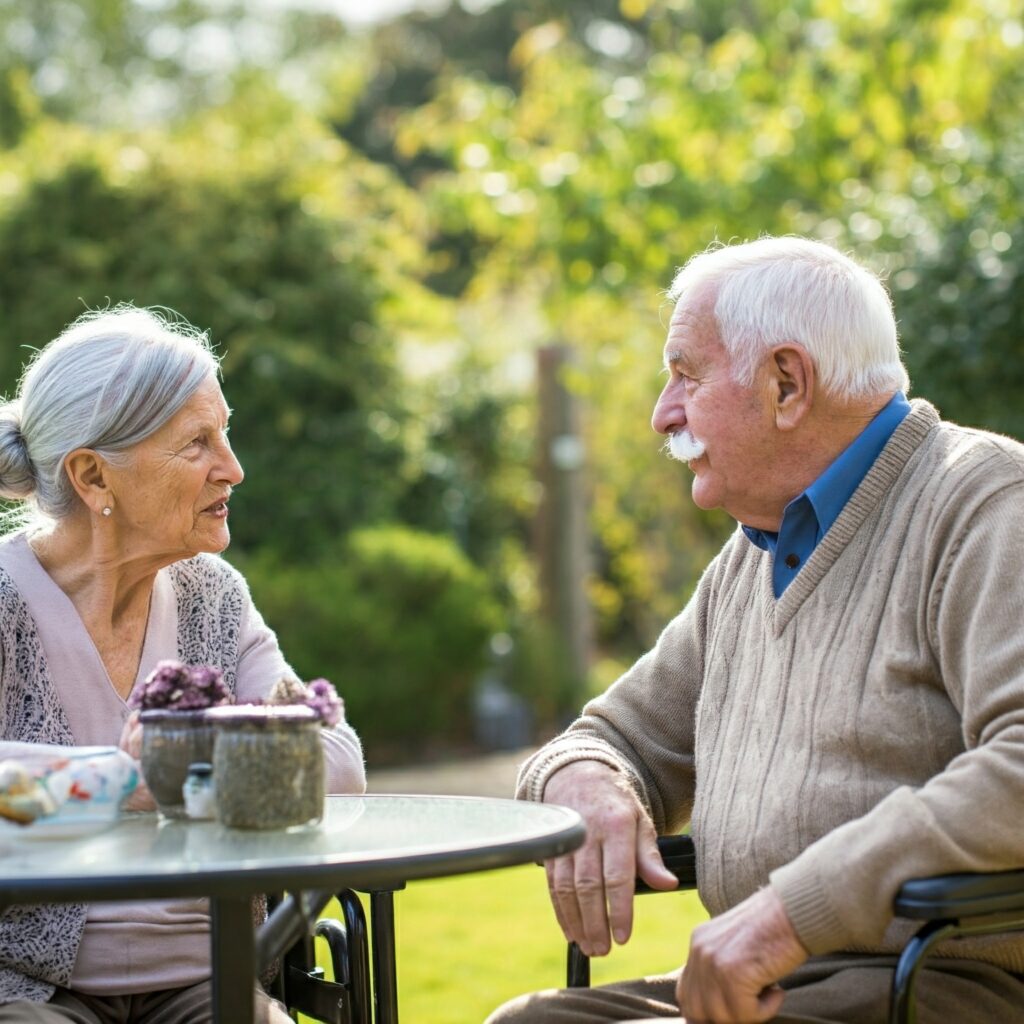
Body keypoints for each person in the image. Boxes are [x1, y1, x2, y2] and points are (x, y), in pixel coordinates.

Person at [488, 236, 1024, 1024]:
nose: (661, 413)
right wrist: (586, 780)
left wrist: (789, 915)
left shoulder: (985, 506)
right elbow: (613, 734)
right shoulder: (755, 554)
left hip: (931, 988)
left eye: (685, 376)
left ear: (786, 383)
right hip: (769, 993)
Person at [0, 306, 367, 1023]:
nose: (233, 468)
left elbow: (334, 763)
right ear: (93, 477)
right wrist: (122, 783)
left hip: (215, 979)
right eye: (198, 443)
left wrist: (173, 772)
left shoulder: (214, 597)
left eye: (223, 434)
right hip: (28, 989)